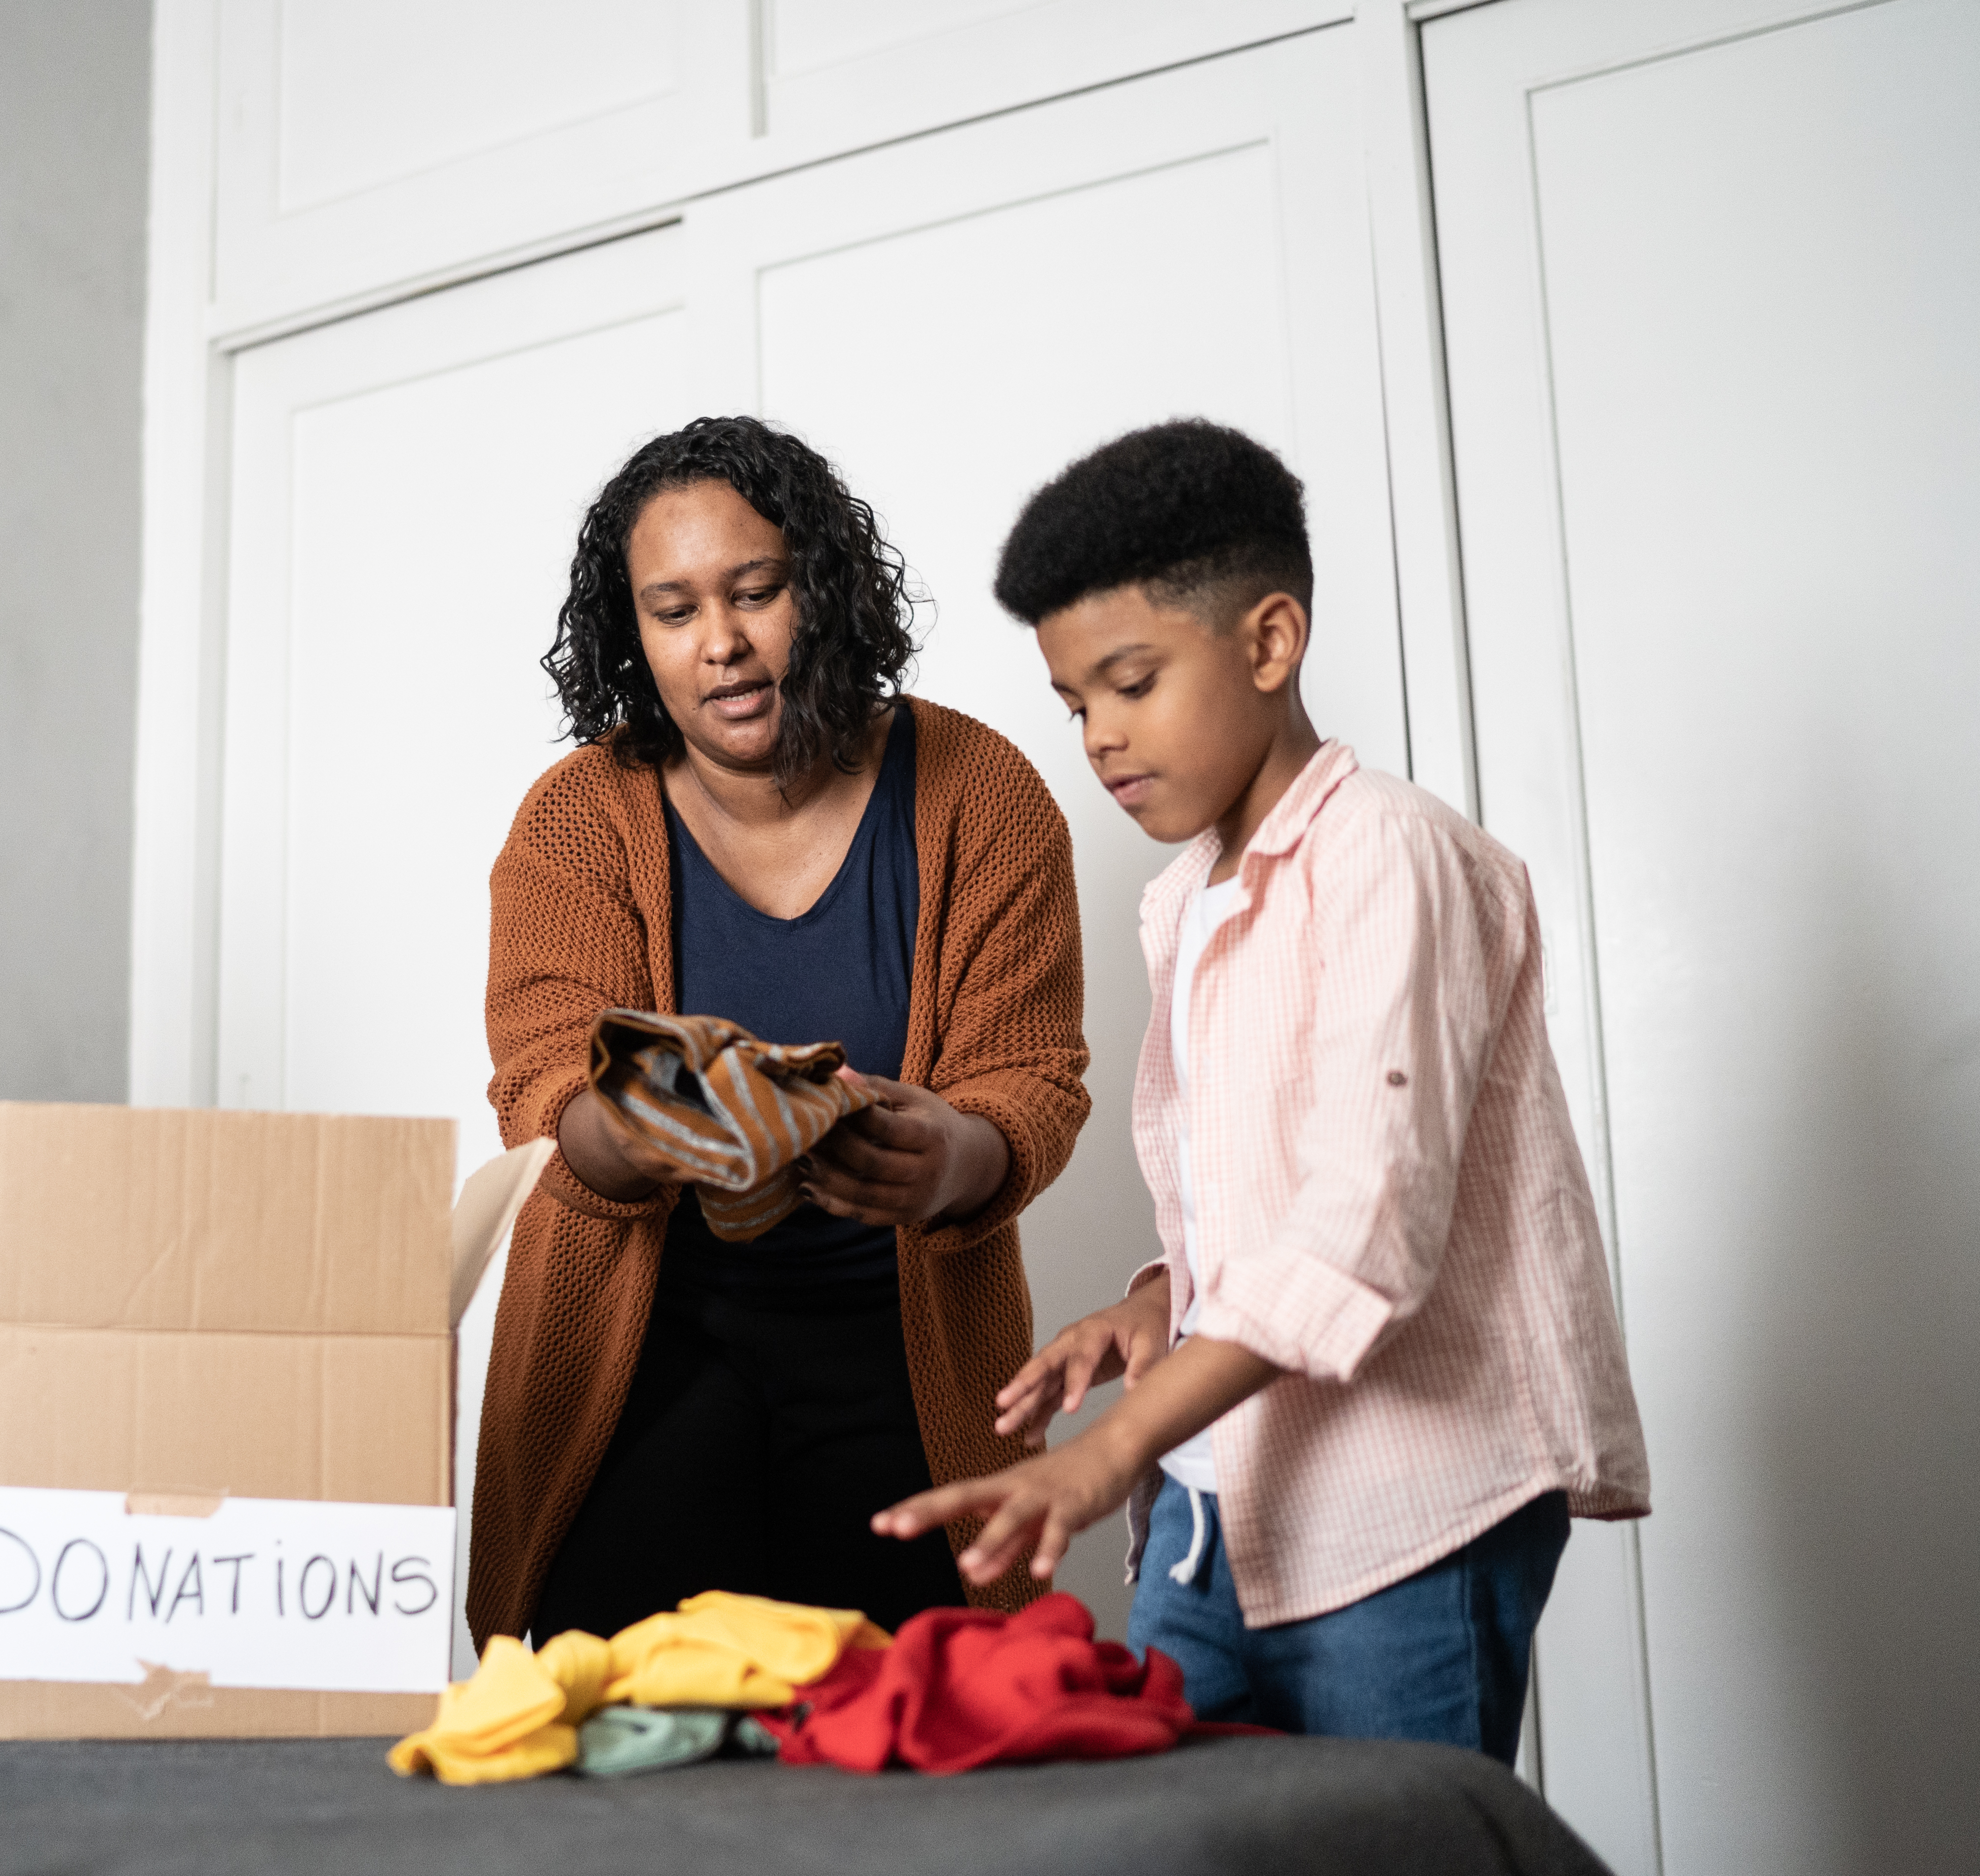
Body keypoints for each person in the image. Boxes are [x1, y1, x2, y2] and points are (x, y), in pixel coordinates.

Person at [874, 420, 1649, 1763]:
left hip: (1402, 1518)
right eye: (1073, 705)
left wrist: (1105, 1451)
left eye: (1128, 682)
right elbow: (1255, 1197)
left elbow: (1361, 1231)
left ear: (1268, 640)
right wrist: (1153, 1300)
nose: (1099, 739)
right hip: (1211, 1512)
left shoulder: (1393, 860)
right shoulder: (1185, 902)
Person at [470, 416, 1093, 1653]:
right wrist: (652, 1113)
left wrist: (954, 1155)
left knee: (915, 1773)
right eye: (673, 609)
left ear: (825, 583)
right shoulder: (578, 818)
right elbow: (543, 1092)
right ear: (630, 633)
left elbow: (1030, 1079)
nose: (722, 643)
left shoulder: (981, 792)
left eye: (757, 590)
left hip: (901, 1364)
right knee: (632, 1765)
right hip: (640, 1361)